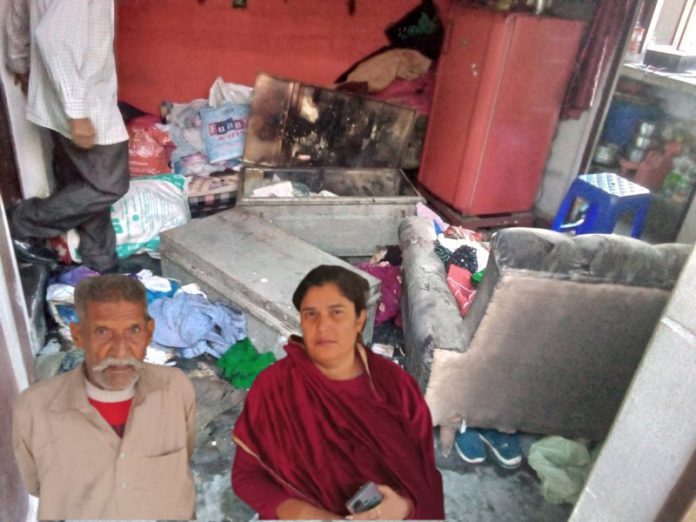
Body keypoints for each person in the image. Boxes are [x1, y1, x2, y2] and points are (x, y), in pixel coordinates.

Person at [232, 265, 445, 520]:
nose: (323, 326)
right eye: (311, 314)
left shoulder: (398, 389)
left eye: (337, 313)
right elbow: (246, 476)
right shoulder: (273, 387)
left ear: (359, 320)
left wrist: (405, 507)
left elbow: (425, 484)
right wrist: (299, 512)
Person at [12, 274, 196, 520]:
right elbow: (36, 485)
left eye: (133, 330)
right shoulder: (35, 408)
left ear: (149, 332)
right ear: (77, 335)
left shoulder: (175, 389)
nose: (120, 350)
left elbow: (182, 462)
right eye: (102, 332)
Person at [5, 0, 130, 272]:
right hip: (83, 102)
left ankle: (100, 263)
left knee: (82, 182)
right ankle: (23, 223)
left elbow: (18, 12)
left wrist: (21, 63)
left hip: (59, 96)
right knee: (109, 184)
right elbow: (54, 38)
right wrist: (77, 112)